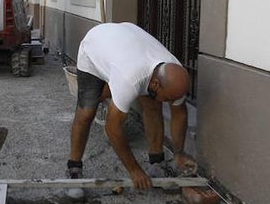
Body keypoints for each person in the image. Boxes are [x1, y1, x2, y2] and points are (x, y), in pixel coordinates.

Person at [67, 22, 198, 190]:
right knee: (87, 112)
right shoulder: (130, 78)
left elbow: (179, 113)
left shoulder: (174, 73)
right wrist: (134, 170)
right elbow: (112, 128)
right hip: (94, 47)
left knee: (153, 105)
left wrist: (179, 153)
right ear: (156, 84)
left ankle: (157, 163)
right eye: (169, 99)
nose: (170, 102)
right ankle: (74, 168)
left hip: (125, 41)